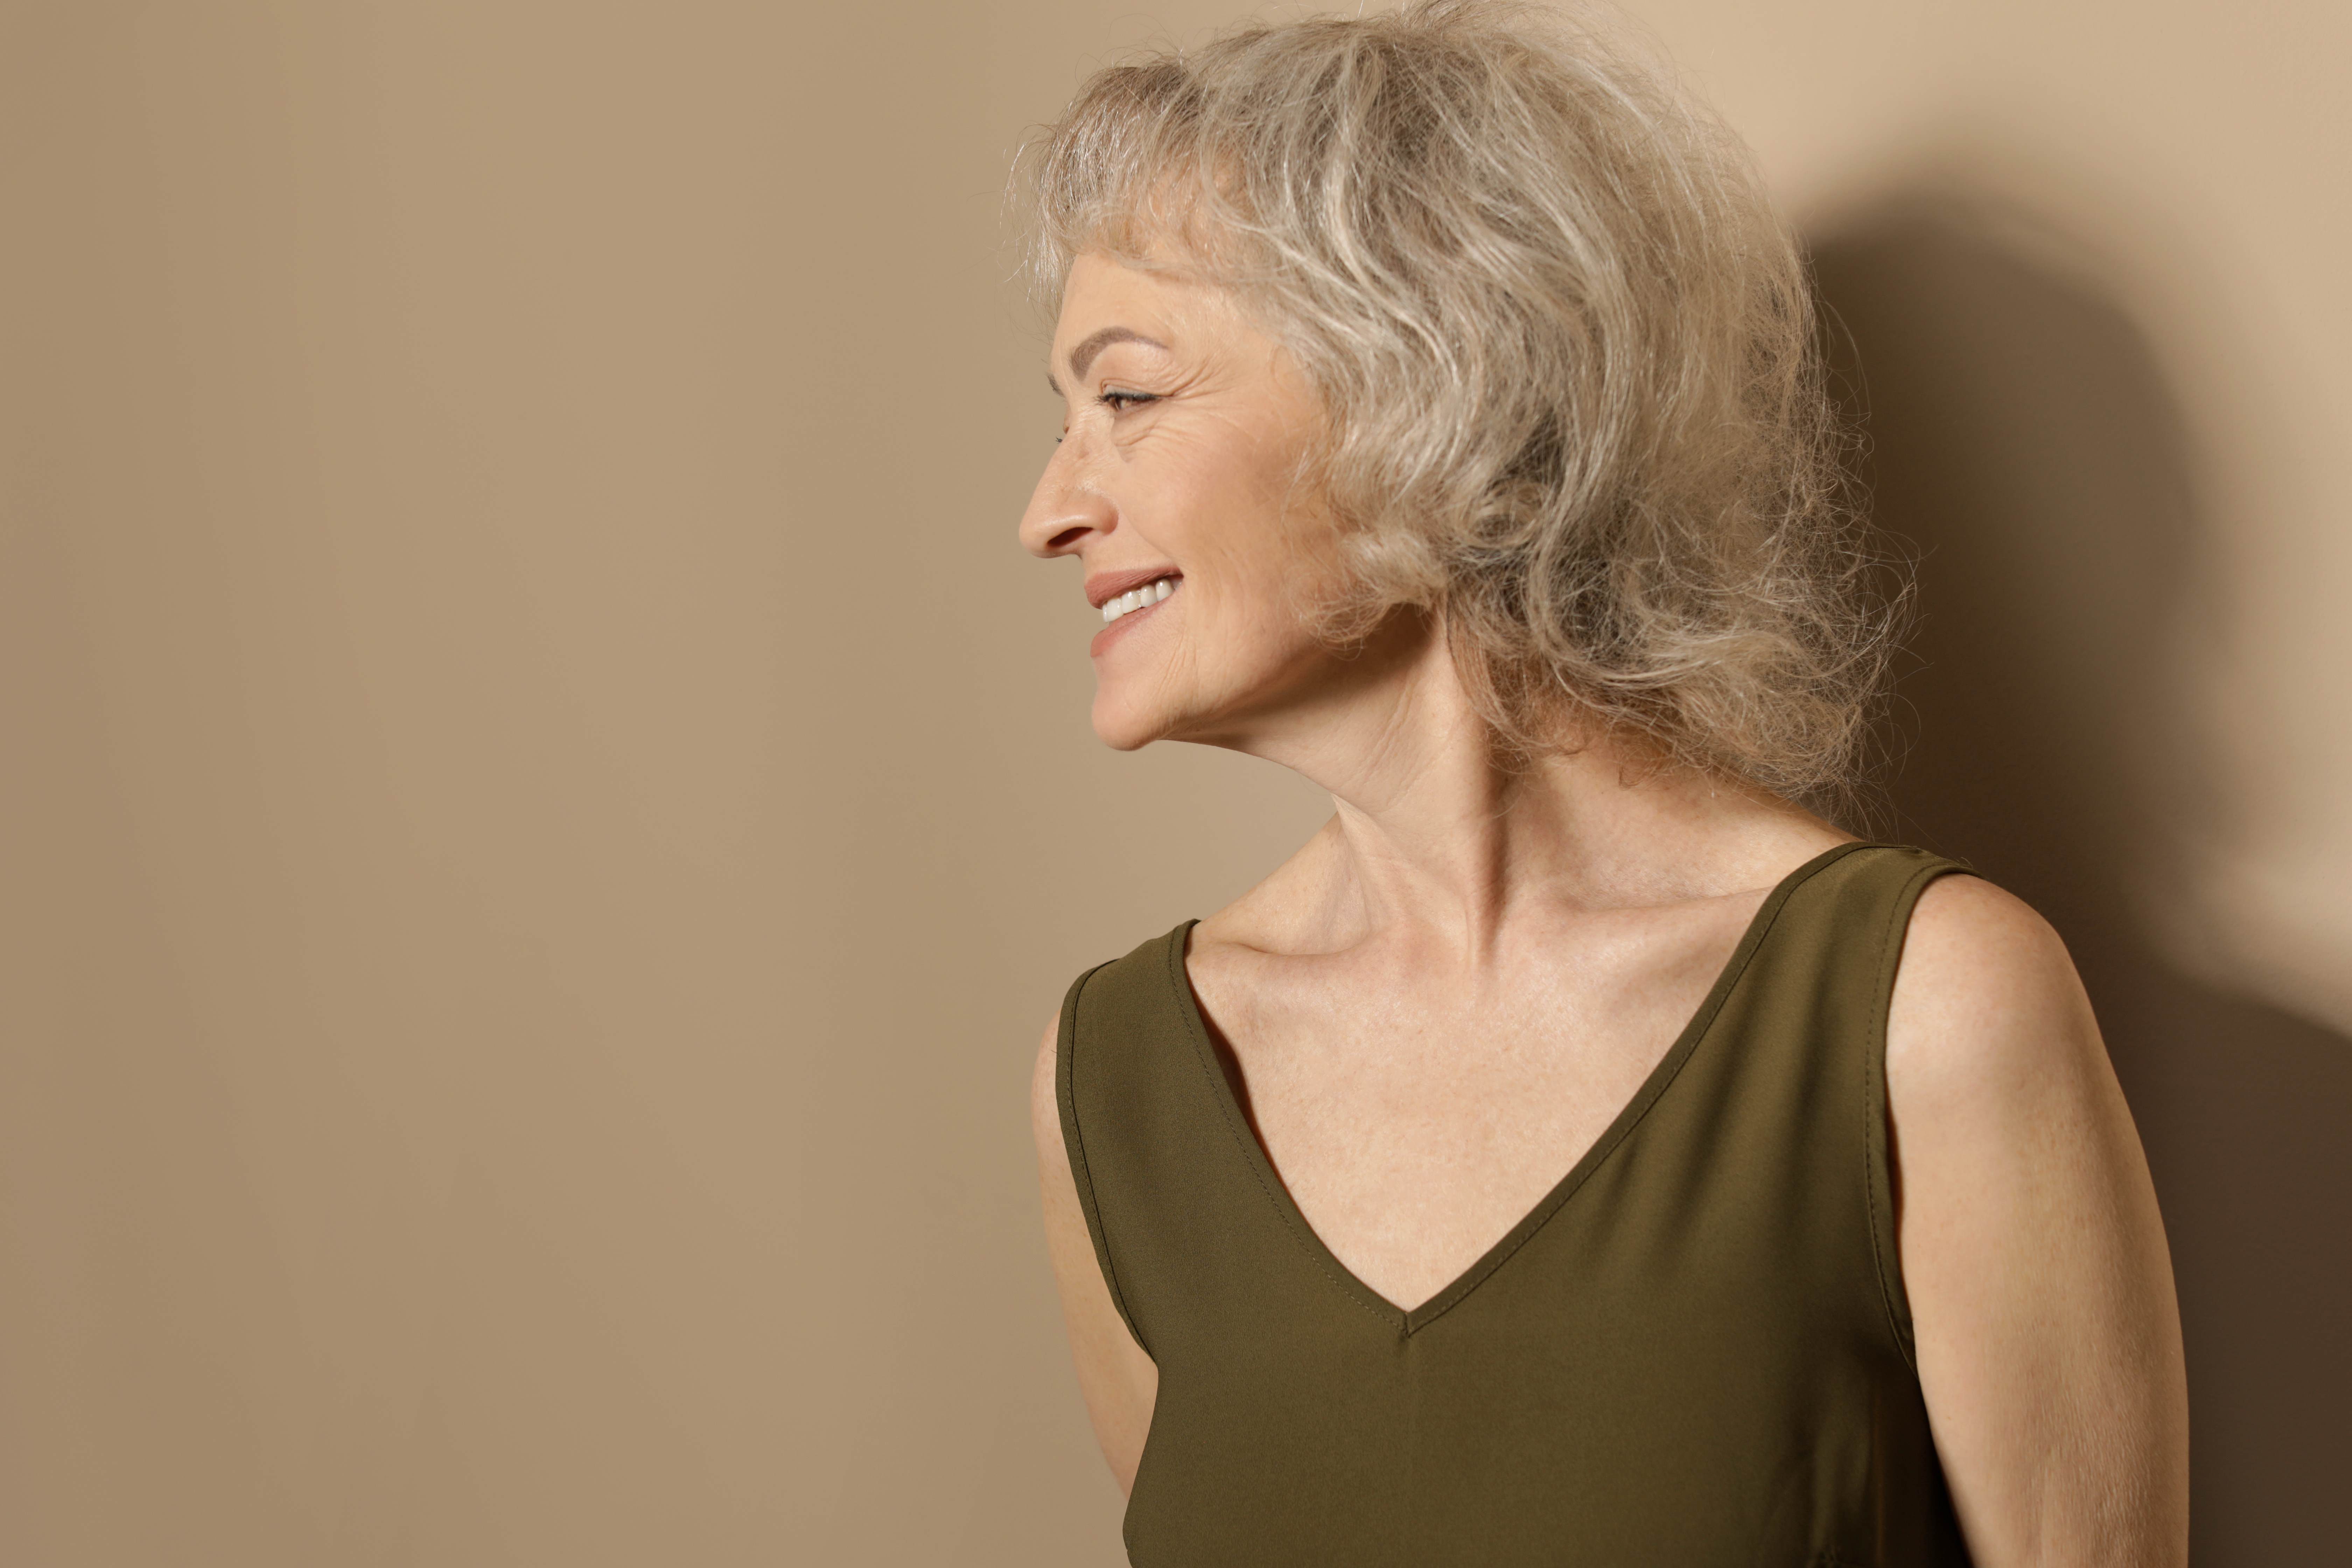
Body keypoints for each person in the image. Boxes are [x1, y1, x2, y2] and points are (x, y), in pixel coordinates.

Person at [1014, 4, 2187, 1563]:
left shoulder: (1928, 1013)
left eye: (1130, 396)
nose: (1049, 511)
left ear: (1433, 385)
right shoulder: (1115, 1087)